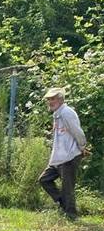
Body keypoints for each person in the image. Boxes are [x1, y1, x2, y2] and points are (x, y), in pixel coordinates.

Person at [38, 86, 87, 219]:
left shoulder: (67, 113)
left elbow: (78, 132)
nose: (50, 102)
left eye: (52, 99)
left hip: (70, 156)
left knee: (67, 189)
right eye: (48, 99)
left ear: (60, 99)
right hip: (59, 157)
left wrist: (82, 146)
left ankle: (71, 215)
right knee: (44, 180)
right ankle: (63, 203)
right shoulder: (57, 114)